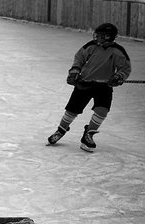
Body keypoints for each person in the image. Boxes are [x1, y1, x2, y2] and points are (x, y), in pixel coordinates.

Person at [46, 23, 131, 153]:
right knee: (71, 111)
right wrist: (75, 70)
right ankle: (61, 130)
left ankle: (88, 135)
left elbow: (125, 67)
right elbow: (79, 57)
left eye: (100, 35)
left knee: (102, 111)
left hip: (104, 87)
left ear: (108, 37)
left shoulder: (117, 51)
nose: (96, 37)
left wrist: (119, 76)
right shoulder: (91, 46)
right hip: (84, 83)